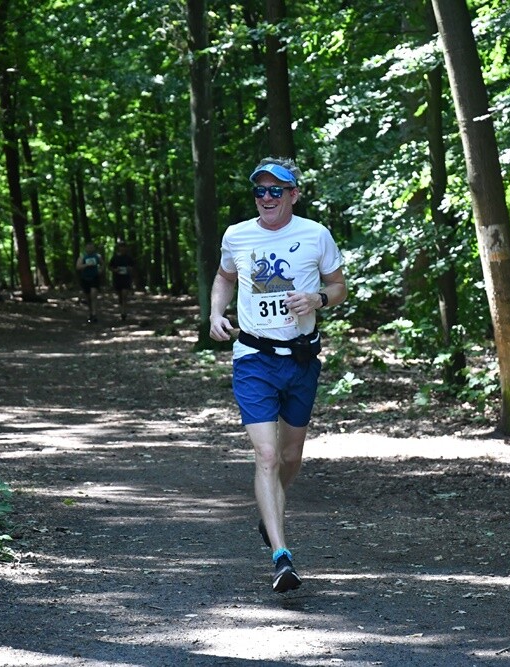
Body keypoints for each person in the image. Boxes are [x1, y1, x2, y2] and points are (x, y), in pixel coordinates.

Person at [209, 157, 347, 593]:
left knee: (289, 457)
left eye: (275, 190)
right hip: (253, 357)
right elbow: (224, 277)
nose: (266, 197)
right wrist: (215, 313)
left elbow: (340, 286)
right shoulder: (237, 235)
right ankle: (281, 556)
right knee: (266, 455)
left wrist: (318, 299)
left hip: (301, 359)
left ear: (293, 194)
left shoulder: (315, 234)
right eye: (260, 190)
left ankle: (270, 508)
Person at [76, 241, 104, 323]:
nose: (90, 249)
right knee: (88, 297)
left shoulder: (97, 256)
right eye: (88, 247)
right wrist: (86, 265)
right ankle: (90, 312)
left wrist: (101, 270)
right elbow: (78, 267)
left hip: (95, 277)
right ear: (85, 248)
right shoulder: (82, 256)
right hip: (85, 278)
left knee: (93, 294)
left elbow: (103, 264)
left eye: (91, 247)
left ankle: (94, 314)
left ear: (94, 248)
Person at [108, 240, 135, 321]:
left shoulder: (129, 258)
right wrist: (115, 270)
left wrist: (129, 269)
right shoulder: (115, 257)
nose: (122, 248)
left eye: (124, 247)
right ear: (119, 248)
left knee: (124, 294)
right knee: (120, 295)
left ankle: (124, 312)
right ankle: (121, 308)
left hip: (126, 278)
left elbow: (132, 267)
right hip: (117, 279)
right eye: (121, 247)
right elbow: (110, 267)